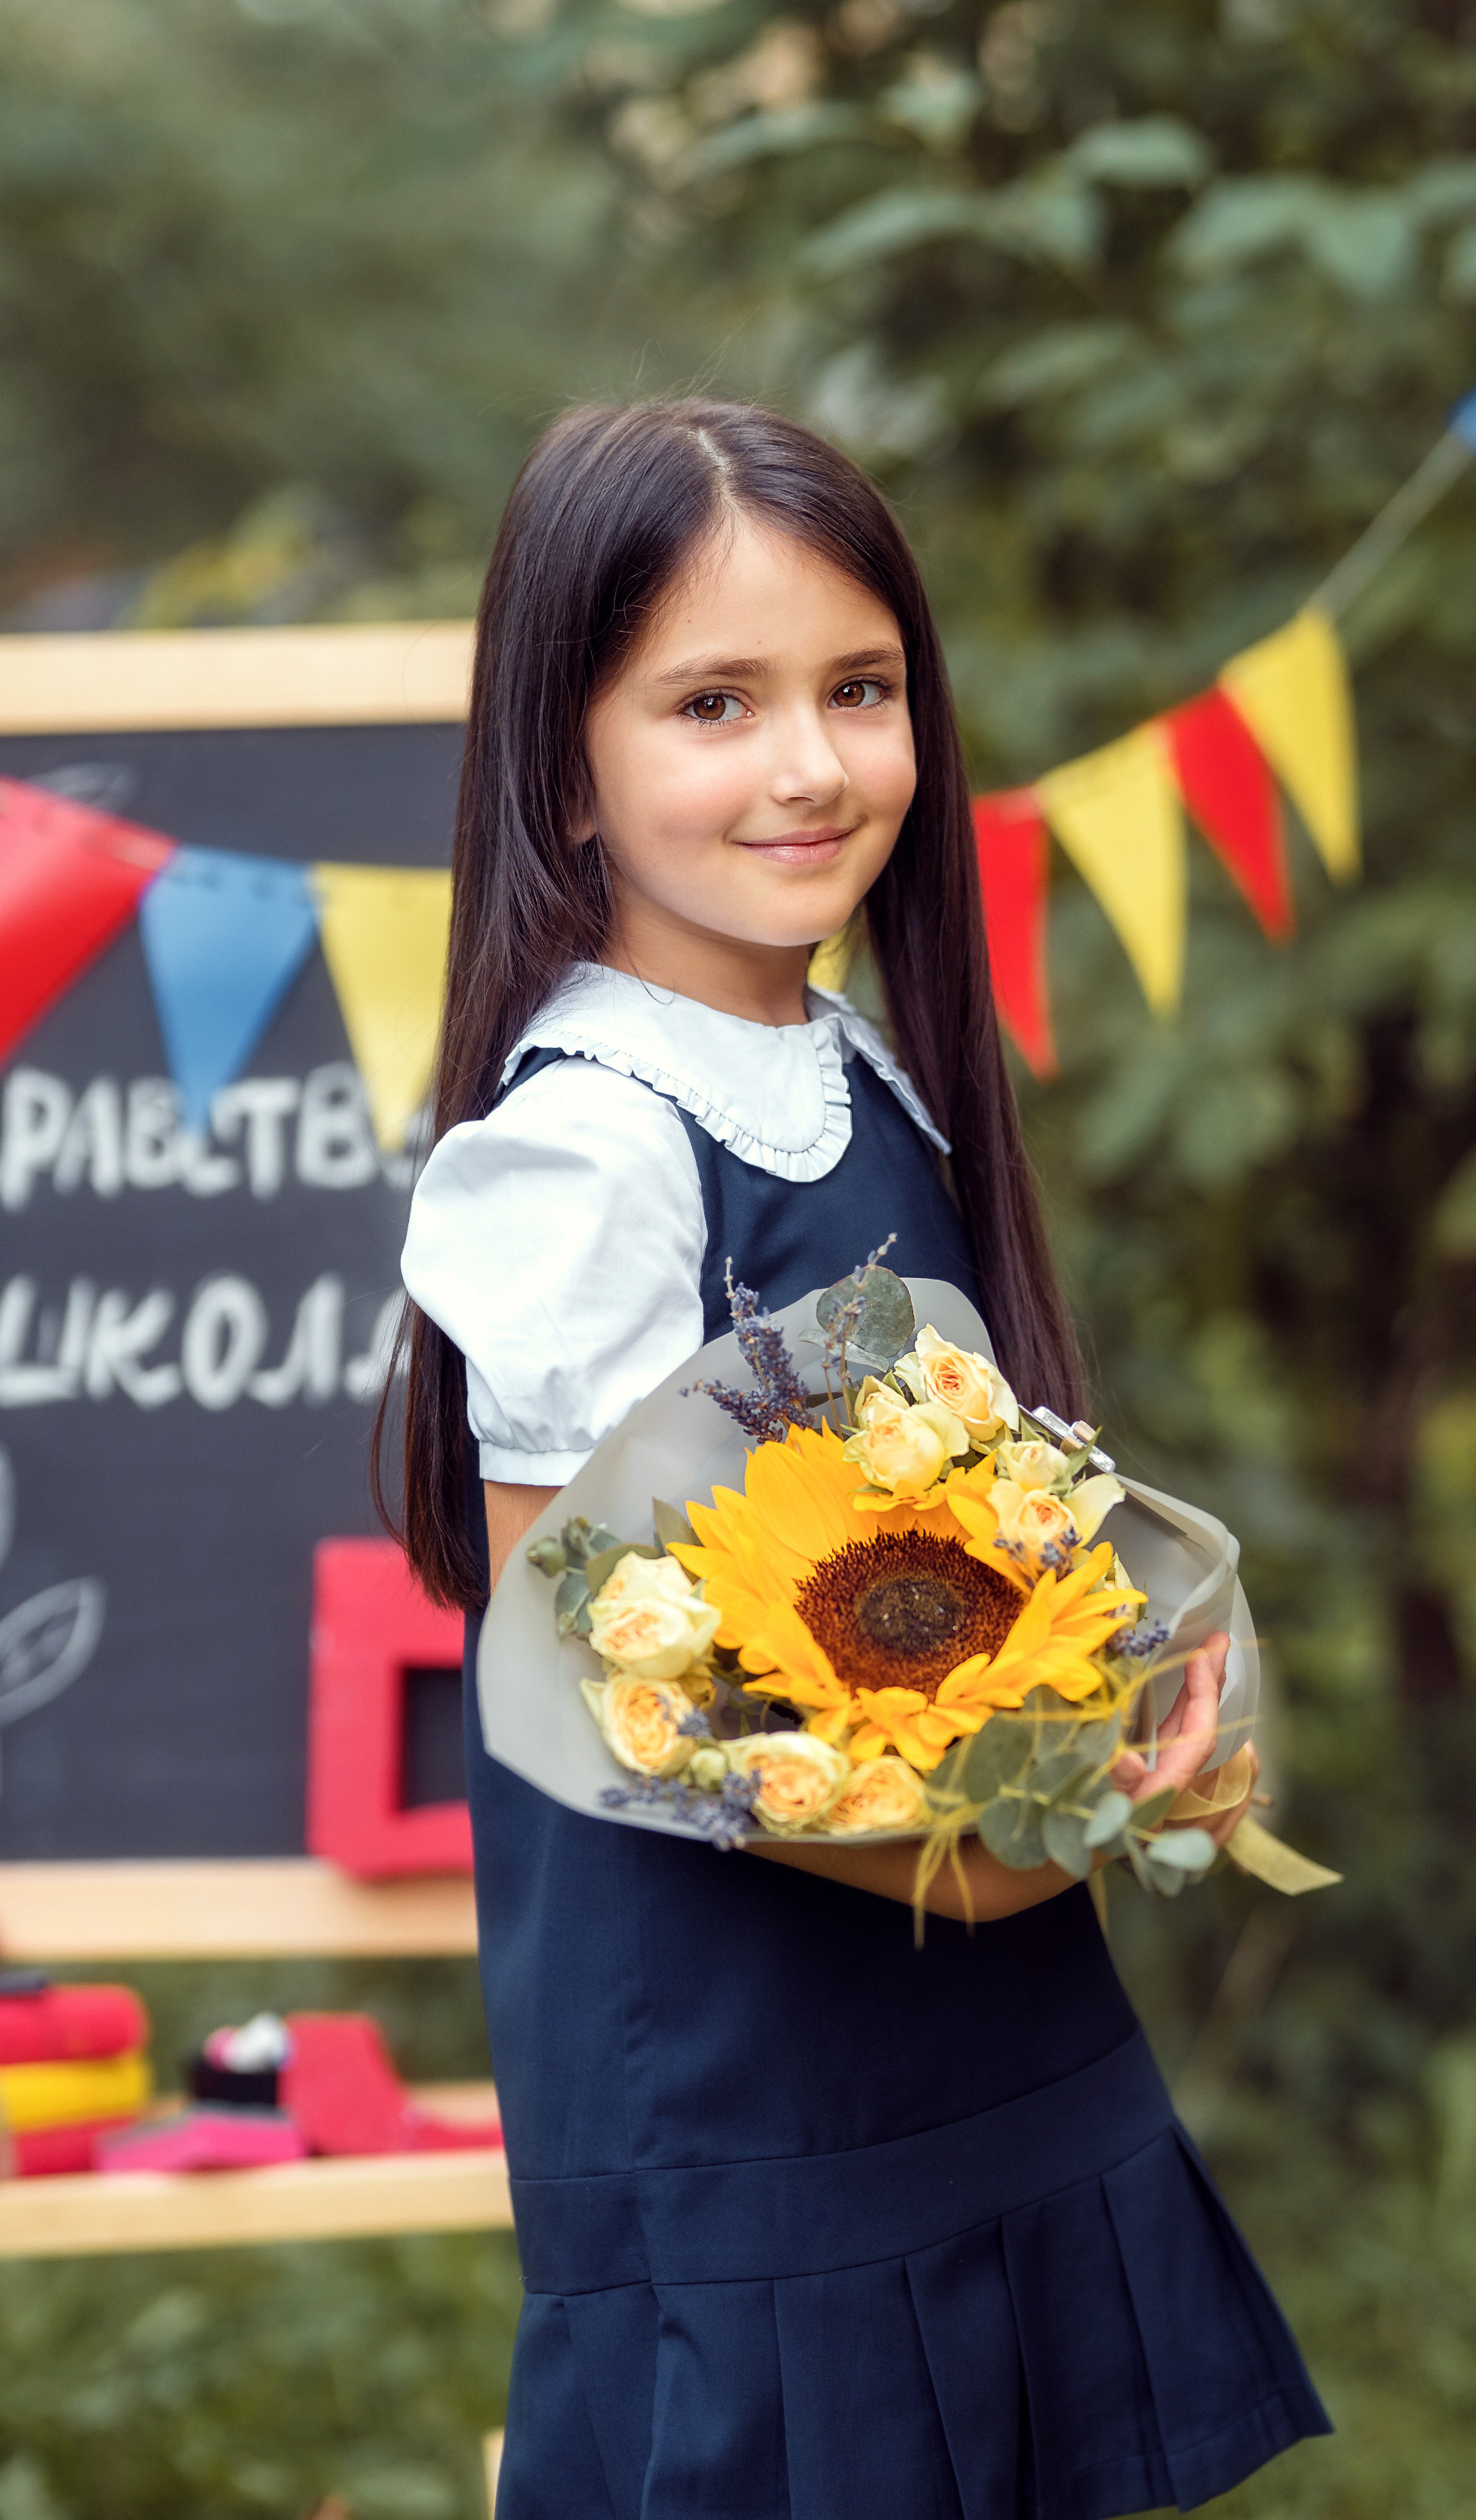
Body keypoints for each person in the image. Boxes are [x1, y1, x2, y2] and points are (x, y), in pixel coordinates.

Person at [390, 398, 1329, 2519]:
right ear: (565, 757)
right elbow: (595, 1685)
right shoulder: (588, 1146)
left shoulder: (854, 1066)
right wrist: (990, 1841)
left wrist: (1126, 1702)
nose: (809, 765)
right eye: (714, 703)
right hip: (753, 2093)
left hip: (977, 2041)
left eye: (860, 689)